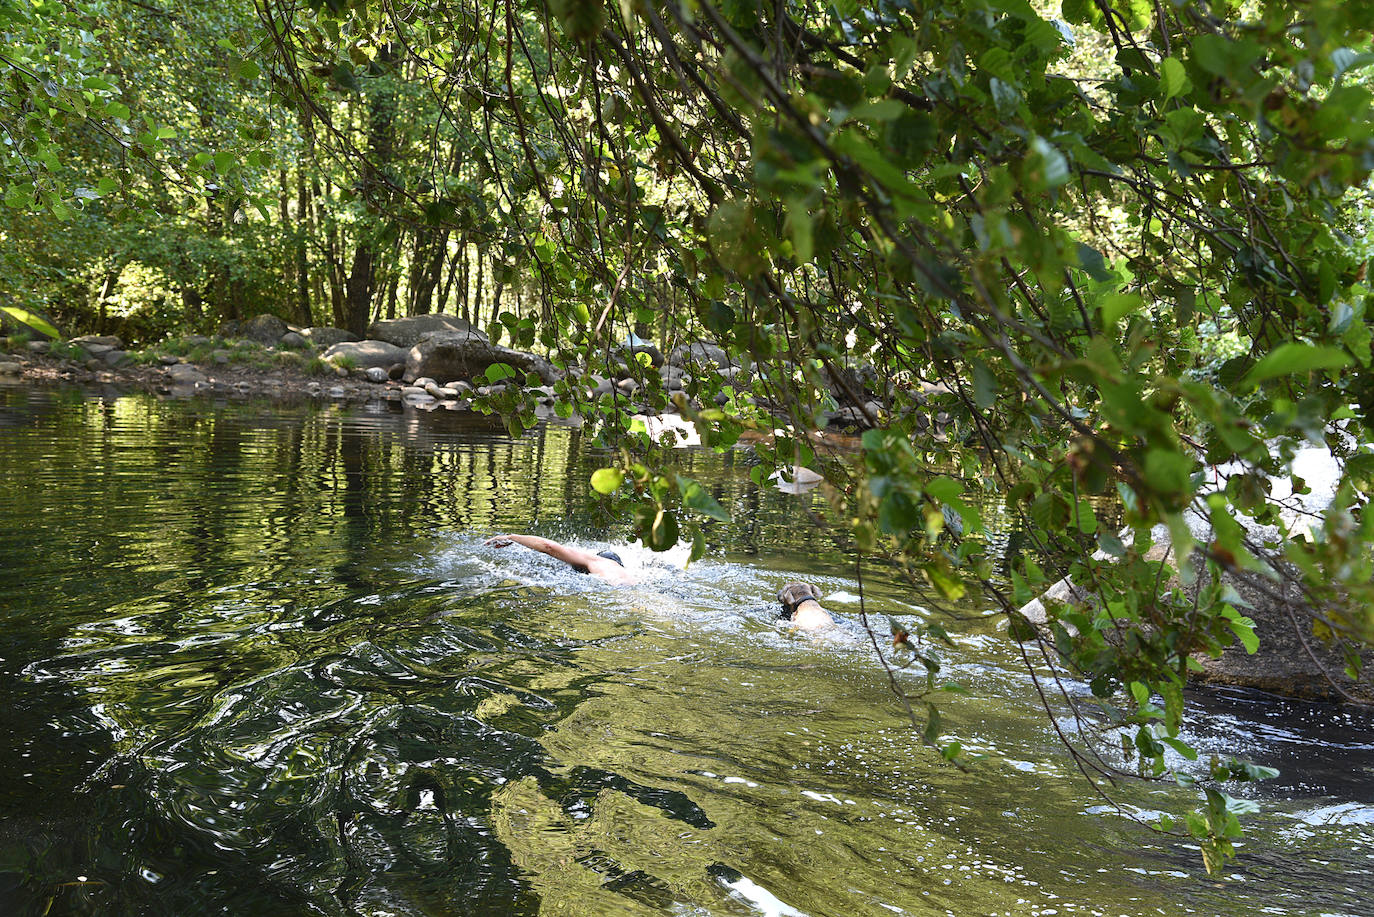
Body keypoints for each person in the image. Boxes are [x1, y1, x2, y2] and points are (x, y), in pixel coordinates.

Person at [484, 534, 640, 585]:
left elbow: (548, 546)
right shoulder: (629, 575)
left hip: (618, 594)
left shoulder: (597, 562)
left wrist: (511, 537)